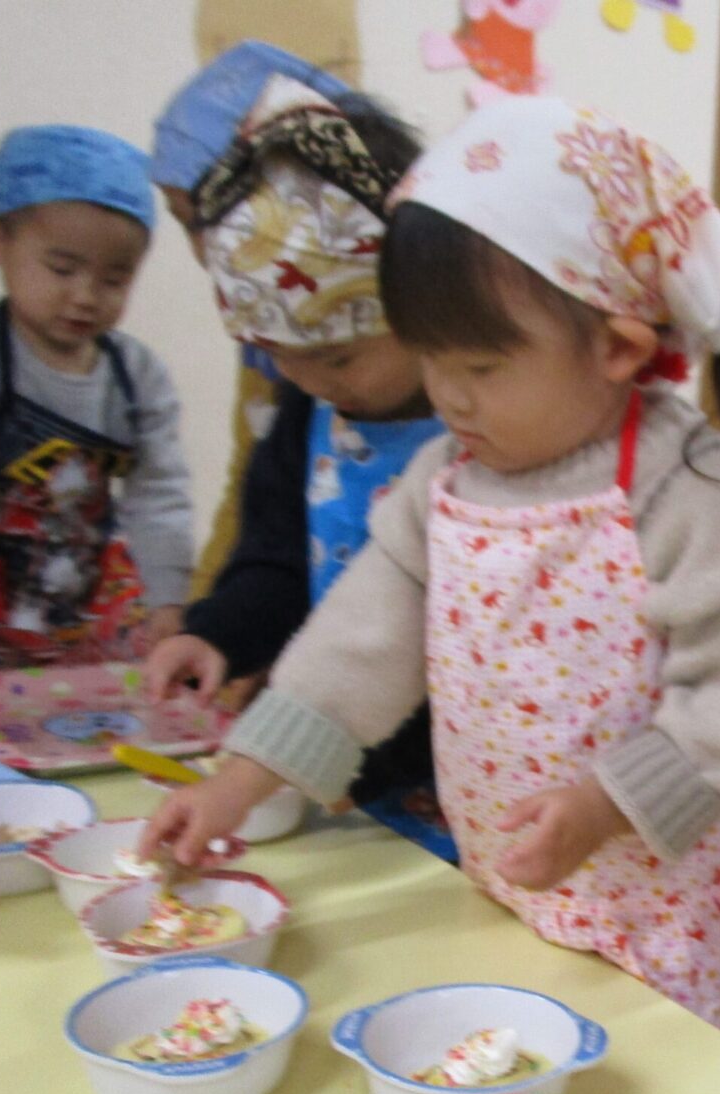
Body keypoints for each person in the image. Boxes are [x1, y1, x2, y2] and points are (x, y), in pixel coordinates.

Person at [144, 97, 720, 1039]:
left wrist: (604, 804)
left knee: (661, 1091)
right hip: (508, 873)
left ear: (618, 347)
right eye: (429, 360)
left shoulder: (687, 485)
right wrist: (235, 782)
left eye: (482, 366)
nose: (447, 398)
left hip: (649, 902)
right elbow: (354, 645)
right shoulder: (447, 481)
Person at [141, 75, 449, 823]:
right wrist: (217, 634)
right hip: (342, 774)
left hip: (457, 786)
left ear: (424, 306)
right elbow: (276, 560)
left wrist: (361, 759)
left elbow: (440, 647)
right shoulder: (307, 411)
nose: (310, 380)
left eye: (339, 358)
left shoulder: (476, 439)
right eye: (280, 354)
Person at [0, 126, 193, 703]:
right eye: (62, 269)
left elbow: (160, 496)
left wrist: (169, 603)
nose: (86, 295)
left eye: (115, 279)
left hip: (92, 613)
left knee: (111, 733)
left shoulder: (139, 376)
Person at [149, 39, 354, 592]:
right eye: (183, 223)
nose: (200, 252)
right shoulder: (263, 323)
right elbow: (269, 492)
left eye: (203, 223)